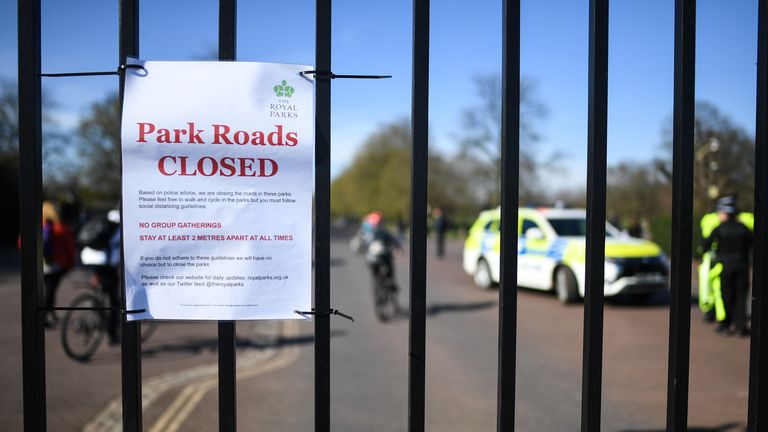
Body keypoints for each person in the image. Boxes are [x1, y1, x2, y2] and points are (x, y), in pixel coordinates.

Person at [702, 197, 752, 336]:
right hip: (742, 265)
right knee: (741, 296)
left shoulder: (719, 228)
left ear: (725, 213)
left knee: (726, 296)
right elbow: (753, 244)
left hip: (725, 266)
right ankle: (741, 327)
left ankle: (726, 325)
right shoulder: (744, 228)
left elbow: (705, 245)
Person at [41, 201, 77, 327]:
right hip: (56, 265)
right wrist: (70, 264)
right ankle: (46, 315)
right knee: (51, 290)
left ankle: (48, 312)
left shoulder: (36, 225)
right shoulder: (61, 227)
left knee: (45, 290)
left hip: (41, 264)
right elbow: (70, 248)